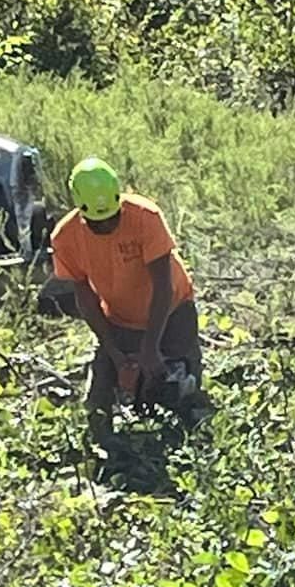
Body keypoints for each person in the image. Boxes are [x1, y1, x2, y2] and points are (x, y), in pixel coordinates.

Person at [52, 157, 206, 443]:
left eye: (113, 216)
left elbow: (163, 286)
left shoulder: (145, 217)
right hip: (119, 317)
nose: (109, 225)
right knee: (101, 390)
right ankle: (106, 451)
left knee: (180, 385)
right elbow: (86, 299)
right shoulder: (66, 238)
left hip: (171, 310)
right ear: (81, 210)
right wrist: (116, 355)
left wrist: (150, 349)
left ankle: (189, 434)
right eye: (99, 222)